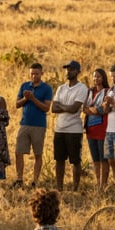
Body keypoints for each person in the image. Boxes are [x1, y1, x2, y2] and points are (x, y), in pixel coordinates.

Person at [51, 61, 89, 192]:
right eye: (67, 69)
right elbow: (53, 108)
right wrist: (65, 107)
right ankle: (59, 188)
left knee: (75, 161)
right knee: (59, 160)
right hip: (59, 128)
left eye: (71, 69)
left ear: (78, 71)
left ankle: (75, 189)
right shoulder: (61, 88)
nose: (68, 71)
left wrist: (61, 106)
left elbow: (74, 109)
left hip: (74, 129)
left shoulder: (82, 88)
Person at [14, 63, 53, 189]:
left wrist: (33, 98)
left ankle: (35, 181)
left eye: (36, 73)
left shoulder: (47, 88)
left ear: (41, 74)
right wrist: (26, 99)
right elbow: (17, 104)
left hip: (38, 125)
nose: (34, 76)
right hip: (24, 123)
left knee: (37, 153)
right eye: (32, 73)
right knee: (18, 152)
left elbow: (46, 108)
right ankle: (19, 179)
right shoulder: (24, 86)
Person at [83, 68, 109, 192]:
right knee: (95, 160)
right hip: (90, 130)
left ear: (103, 78)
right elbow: (84, 109)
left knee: (104, 160)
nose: (95, 79)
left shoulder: (107, 92)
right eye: (94, 77)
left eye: (98, 76)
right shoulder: (90, 92)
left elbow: (102, 110)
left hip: (102, 130)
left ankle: (103, 186)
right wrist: (94, 109)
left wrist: (91, 109)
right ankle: (98, 183)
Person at [102, 63, 115, 194]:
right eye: (111, 76)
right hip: (109, 130)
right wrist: (107, 104)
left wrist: (113, 102)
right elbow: (105, 111)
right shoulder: (111, 90)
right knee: (111, 161)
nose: (113, 79)